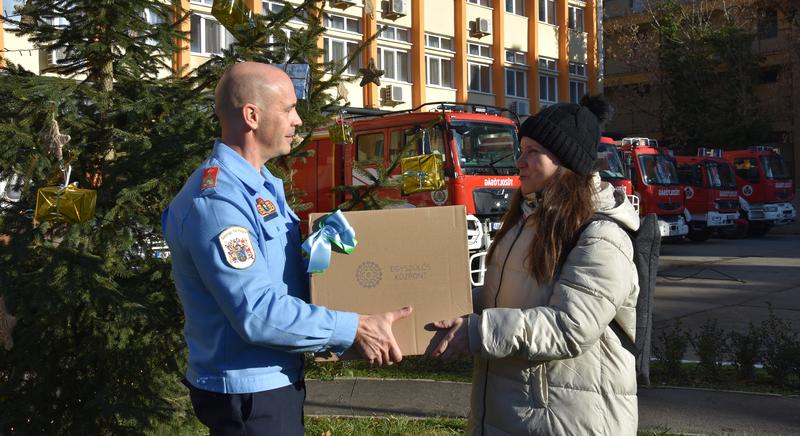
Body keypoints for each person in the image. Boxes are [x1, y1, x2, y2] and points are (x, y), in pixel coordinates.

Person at [161, 62, 412, 436]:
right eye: (289, 109)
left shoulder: (260, 186)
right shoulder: (218, 202)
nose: (298, 121)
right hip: (249, 392)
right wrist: (354, 328)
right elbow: (258, 313)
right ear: (252, 116)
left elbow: (276, 273)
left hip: (272, 380)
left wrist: (320, 246)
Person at [428, 96, 640, 435]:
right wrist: (449, 302)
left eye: (532, 152)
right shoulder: (528, 220)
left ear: (565, 162)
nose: (519, 161)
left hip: (568, 419)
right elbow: (507, 296)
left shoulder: (601, 236)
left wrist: (476, 331)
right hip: (518, 413)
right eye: (521, 149)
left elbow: (569, 327)